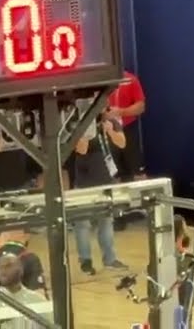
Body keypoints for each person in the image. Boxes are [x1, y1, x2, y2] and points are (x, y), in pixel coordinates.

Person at [70, 108, 129, 274]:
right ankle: (85, 261)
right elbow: (81, 149)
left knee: (106, 223)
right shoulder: (80, 123)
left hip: (105, 181)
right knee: (83, 225)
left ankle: (110, 259)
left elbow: (122, 143)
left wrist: (110, 131)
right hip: (85, 182)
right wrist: (89, 130)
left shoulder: (112, 121)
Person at [0, 254, 48, 329]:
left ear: (21, 269)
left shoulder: (37, 300)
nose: (3, 270)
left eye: (8, 265)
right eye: (0, 267)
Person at [107, 71, 147, 180]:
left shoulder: (131, 79)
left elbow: (141, 106)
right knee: (111, 172)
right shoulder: (100, 81)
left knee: (137, 170)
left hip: (128, 128)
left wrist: (120, 112)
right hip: (108, 130)